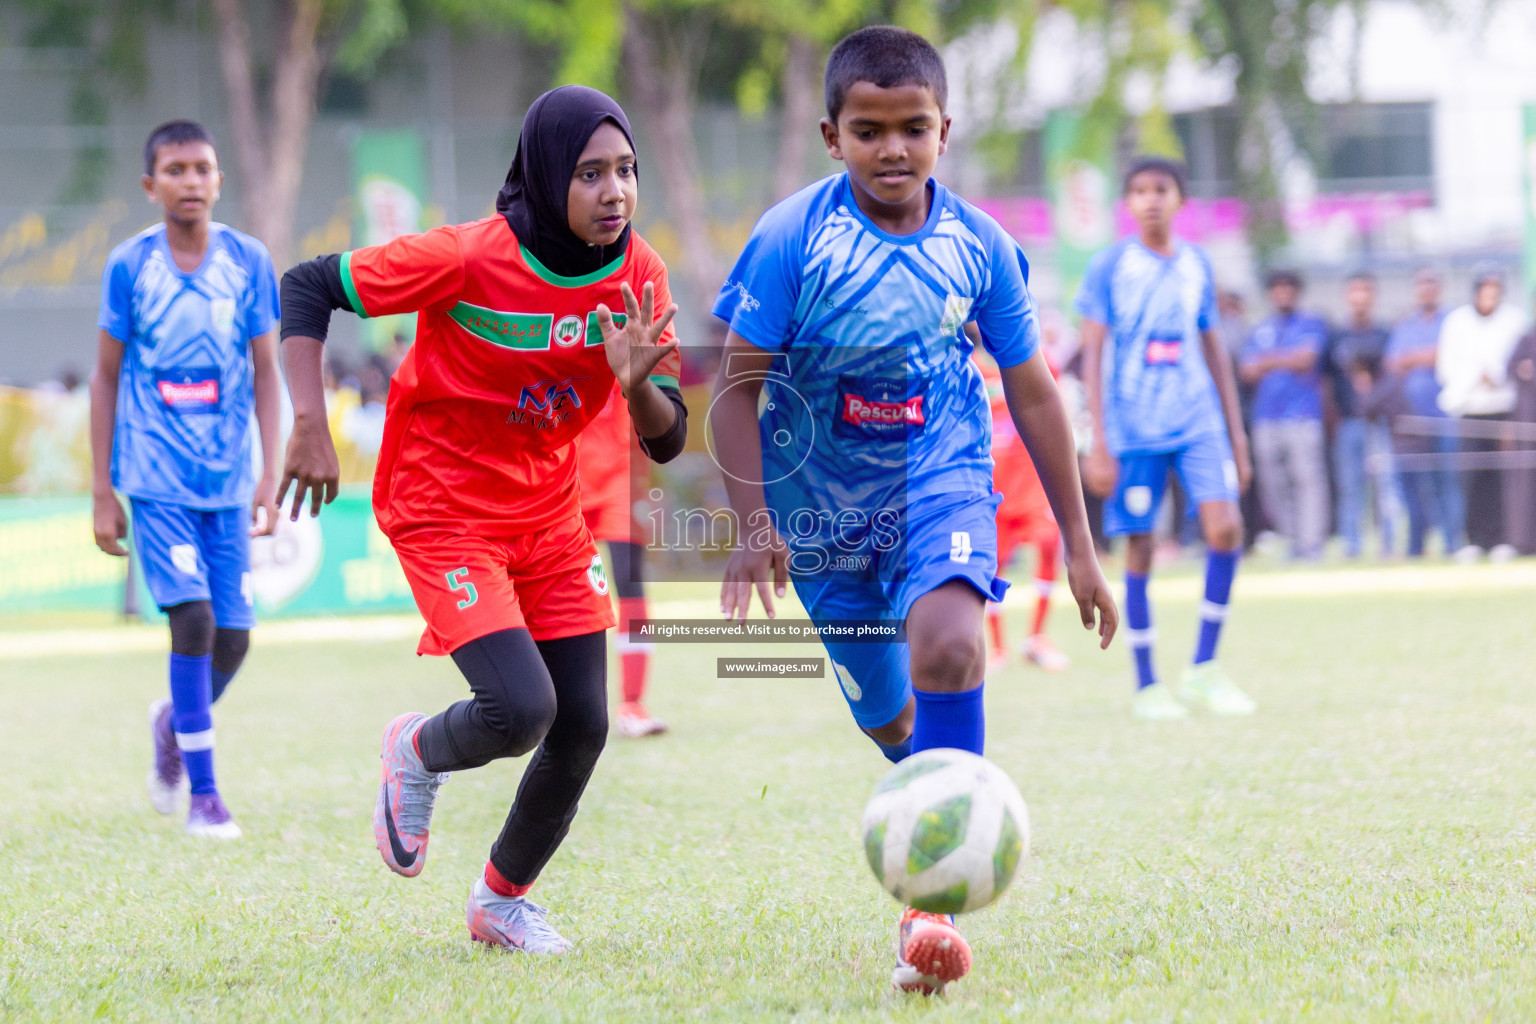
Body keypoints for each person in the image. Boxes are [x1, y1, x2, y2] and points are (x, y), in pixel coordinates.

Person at [709, 27, 1117, 996]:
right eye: (869, 130)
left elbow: (1037, 393)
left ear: (946, 131)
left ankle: (929, 914)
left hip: (943, 477)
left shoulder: (980, 246)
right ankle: (934, 775)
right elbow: (734, 391)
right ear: (831, 134)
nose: (893, 148)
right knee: (895, 717)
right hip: (821, 519)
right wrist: (755, 523)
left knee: (950, 646)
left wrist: (1082, 548)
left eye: (914, 129)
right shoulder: (790, 240)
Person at [277, 86, 686, 954]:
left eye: (626, 171)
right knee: (519, 708)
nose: (614, 192)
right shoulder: (464, 258)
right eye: (589, 174)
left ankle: (502, 901)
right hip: (441, 505)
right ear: (545, 176)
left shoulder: (639, 274)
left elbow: (667, 438)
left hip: (547, 512)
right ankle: (417, 751)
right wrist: (308, 424)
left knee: (583, 721)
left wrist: (634, 383)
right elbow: (309, 286)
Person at [89, 121, 281, 840]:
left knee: (234, 638)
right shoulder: (129, 266)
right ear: (151, 185)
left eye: (202, 168)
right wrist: (104, 490)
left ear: (219, 180)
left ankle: (173, 722)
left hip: (229, 482)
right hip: (154, 477)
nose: (190, 181)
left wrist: (268, 472)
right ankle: (205, 797)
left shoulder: (248, 260)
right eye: (175, 169)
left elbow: (266, 370)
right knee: (193, 622)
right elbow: (105, 378)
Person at [1077, 156, 1255, 721]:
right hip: (1134, 428)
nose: (1150, 199)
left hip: (1198, 421)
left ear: (1181, 200)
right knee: (1142, 546)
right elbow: (1092, 356)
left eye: (1162, 189)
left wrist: (1238, 437)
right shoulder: (1109, 267)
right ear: (1127, 204)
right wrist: (1098, 440)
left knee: (1226, 527)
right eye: (1139, 191)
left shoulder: (1197, 264)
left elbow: (1214, 351)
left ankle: (1203, 669)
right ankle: (1148, 684)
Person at [576, 382, 667, 736]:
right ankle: (561, 702)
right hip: (563, 472)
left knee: (629, 580)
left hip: (619, 472)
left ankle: (632, 704)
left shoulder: (625, 330)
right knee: (560, 585)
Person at [974, 346, 1069, 673]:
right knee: (991, 567)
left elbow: (1053, 411)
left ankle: (1037, 638)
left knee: (1047, 547)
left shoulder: (1037, 358)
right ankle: (998, 648)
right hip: (991, 486)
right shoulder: (969, 365)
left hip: (1031, 485)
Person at [1436, 266, 1528, 561]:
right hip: (1470, 407)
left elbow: (1519, 364)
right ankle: (1475, 539)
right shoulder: (1457, 321)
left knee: (1503, 476)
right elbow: (1446, 367)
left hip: (1504, 409)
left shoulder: (1514, 320)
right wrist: (1475, 376)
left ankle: (1504, 538)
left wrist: (1498, 376)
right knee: (1472, 477)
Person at [1240, 270, 1329, 560]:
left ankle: (1311, 544)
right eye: (1277, 289)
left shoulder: (1311, 324)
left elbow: (1305, 360)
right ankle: (1293, 540)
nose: (1283, 294)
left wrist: (1267, 361)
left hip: (1301, 415)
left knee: (1307, 480)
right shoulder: (1260, 328)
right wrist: (1284, 359)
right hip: (1267, 417)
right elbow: (1247, 371)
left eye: (1288, 289)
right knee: (1274, 482)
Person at [1384, 268, 1462, 557]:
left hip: (1444, 415)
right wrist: (1426, 355)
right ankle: (1416, 546)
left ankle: (1453, 543)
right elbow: (1393, 364)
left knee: (1447, 482)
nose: (1426, 289)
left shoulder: (1453, 322)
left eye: (1431, 283)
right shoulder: (1405, 326)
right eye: (1421, 283)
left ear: (1439, 287)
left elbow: (1448, 355)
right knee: (1414, 486)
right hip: (1410, 420)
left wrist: (1414, 357)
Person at [1321, 272, 1400, 558]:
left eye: (1366, 290)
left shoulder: (1384, 334)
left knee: (1386, 487)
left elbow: (1393, 377)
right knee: (1350, 487)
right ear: (1347, 296)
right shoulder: (1337, 336)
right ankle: (1351, 545)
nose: (1360, 297)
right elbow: (1326, 381)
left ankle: (1389, 544)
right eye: (1355, 290)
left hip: (1379, 424)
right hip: (1348, 422)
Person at [1505, 312, 1536, 555]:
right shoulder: (1527, 339)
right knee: (1527, 483)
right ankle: (1525, 541)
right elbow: (1511, 369)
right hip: (1528, 423)